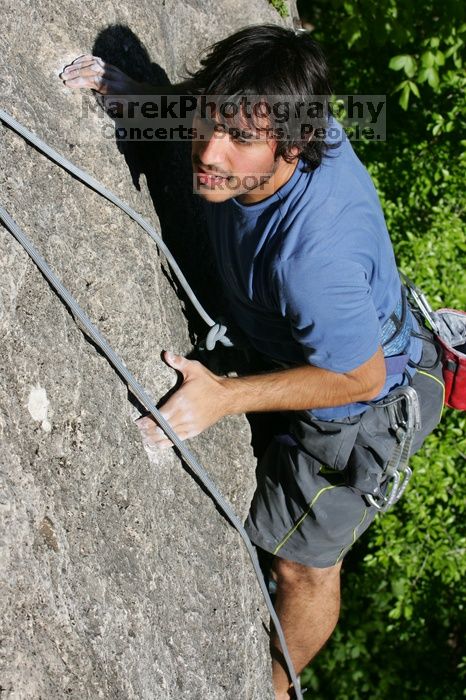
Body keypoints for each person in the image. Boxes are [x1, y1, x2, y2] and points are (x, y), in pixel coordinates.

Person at [60, 25, 445, 700]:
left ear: (293, 146)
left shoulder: (311, 258)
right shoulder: (271, 125)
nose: (209, 152)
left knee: (301, 567)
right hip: (305, 342)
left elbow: (362, 378)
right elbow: (225, 111)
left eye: (239, 140)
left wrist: (225, 398)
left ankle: (272, 687)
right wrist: (143, 100)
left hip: (359, 403)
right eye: (210, 120)